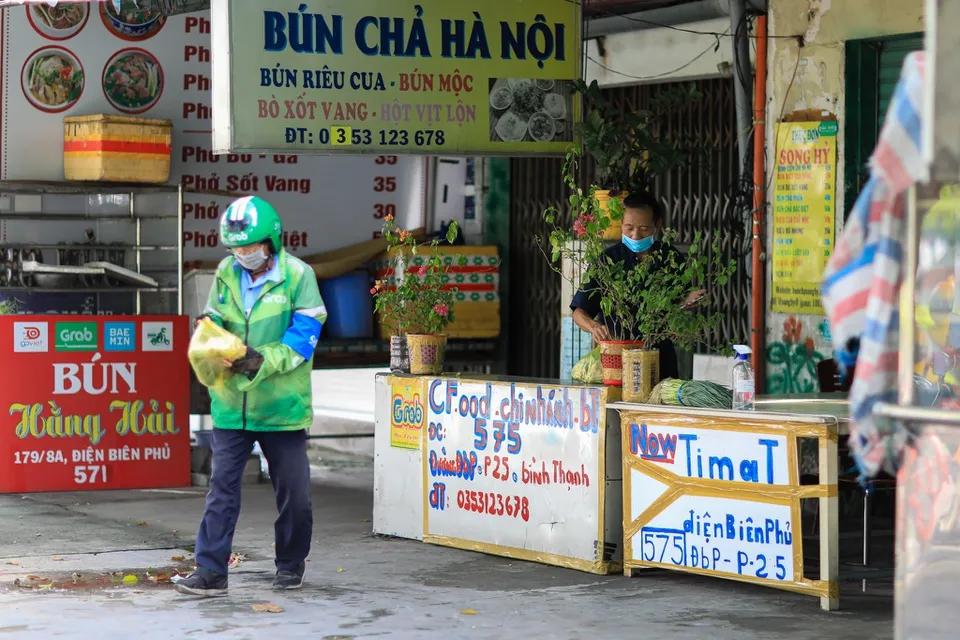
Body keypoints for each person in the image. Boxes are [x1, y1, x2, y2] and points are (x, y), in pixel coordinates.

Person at [176, 196, 327, 597]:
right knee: (222, 490)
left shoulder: (299, 276)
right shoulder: (226, 271)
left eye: (249, 247)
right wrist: (209, 329)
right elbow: (217, 316)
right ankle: (210, 571)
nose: (242, 255)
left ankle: (290, 565)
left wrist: (262, 360)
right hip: (231, 405)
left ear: (272, 241)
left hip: (281, 408)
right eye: (236, 248)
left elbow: (304, 336)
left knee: (295, 495)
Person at [571, 191, 705, 380]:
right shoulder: (607, 260)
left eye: (643, 228)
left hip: (660, 362)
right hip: (618, 363)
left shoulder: (670, 258)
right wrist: (593, 326)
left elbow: (678, 302)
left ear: (657, 226)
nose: (635, 235)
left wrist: (688, 300)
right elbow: (579, 311)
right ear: (621, 225)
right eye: (629, 228)